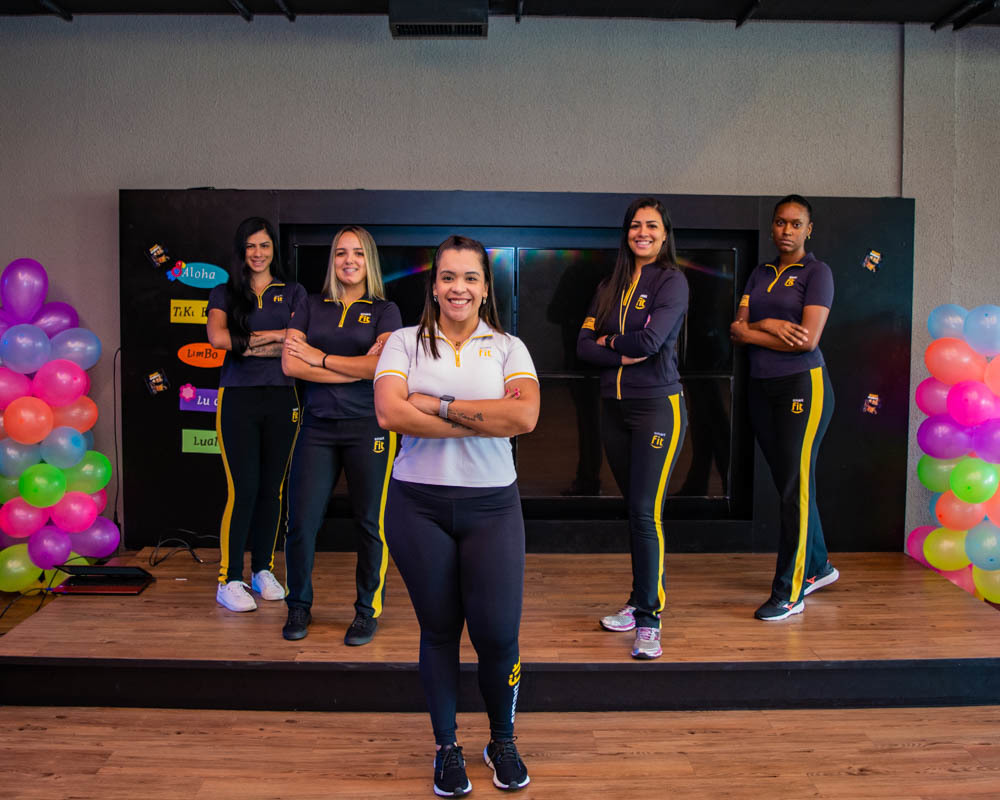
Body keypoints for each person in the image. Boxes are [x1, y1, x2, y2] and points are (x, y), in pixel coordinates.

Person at [374, 235, 539, 796]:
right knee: (440, 630)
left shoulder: (510, 347)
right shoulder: (403, 343)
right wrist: (481, 419)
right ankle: (446, 747)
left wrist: (436, 405)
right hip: (417, 506)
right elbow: (390, 412)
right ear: (434, 284)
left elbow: (525, 418)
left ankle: (502, 740)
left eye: (470, 277)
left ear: (485, 287)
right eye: (448, 276)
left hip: (493, 506)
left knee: (498, 635)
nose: (458, 288)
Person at [576, 196, 689, 660]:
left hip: (657, 408)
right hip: (613, 409)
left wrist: (610, 343)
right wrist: (617, 350)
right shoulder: (609, 285)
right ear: (626, 233)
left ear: (664, 234)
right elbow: (583, 346)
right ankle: (640, 597)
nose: (643, 232)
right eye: (636, 225)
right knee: (635, 511)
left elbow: (652, 341)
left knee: (645, 512)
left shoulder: (672, 280)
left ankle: (649, 620)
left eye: (652, 226)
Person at [280, 226, 401, 644]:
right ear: (332, 260)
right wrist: (349, 366)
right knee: (301, 523)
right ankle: (298, 605)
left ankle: (367, 611)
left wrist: (320, 357)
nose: (349, 260)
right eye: (341, 253)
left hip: (369, 426)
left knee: (370, 524)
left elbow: (379, 368)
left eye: (358, 253)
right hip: (317, 427)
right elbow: (291, 365)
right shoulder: (309, 305)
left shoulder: (385, 311)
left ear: (370, 261)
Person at [729, 194, 838, 621]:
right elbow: (737, 329)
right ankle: (819, 565)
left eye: (795, 224)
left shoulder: (817, 273)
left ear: (809, 229)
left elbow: (806, 341)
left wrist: (753, 330)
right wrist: (769, 324)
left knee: (796, 487)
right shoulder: (760, 273)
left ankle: (790, 593)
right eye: (780, 222)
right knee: (790, 483)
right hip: (762, 388)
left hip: (802, 386)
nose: (786, 230)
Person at [207, 217, 306, 612]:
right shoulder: (225, 292)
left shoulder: (294, 292)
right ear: (241, 250)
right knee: (243, 489)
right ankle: (229, 579)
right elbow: (217, 338)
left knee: (272, 489)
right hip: (238, 398)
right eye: (251, 246)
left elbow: (298, 342)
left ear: (273, 249)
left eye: (264, 245)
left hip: (283, 398)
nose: (258, 253)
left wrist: (245, 343)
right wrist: (276, 338)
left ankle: (262, 569)